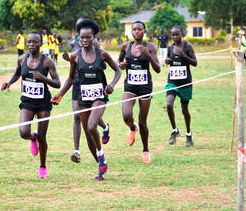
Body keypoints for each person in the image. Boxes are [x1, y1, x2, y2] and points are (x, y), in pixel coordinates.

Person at [52, 18, 121, 181]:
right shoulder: (75, 56)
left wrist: (111, 85)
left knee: (91, 126)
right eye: (81, 38)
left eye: (88, 37)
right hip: (83, 96)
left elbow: (118, 71)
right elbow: (70, 79)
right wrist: (60, 94)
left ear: (94, 37)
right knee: (88, 134)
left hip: (99, 96)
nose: (84, 40)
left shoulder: (102, 53)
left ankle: (101, 155)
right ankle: (100, 165)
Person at [1, 31, 60, 178]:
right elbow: (17, 74)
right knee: (23, 132)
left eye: (34, 42)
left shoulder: (47, 62)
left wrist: (43, 78)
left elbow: (58, 83)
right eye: (29, 42)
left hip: (43, 103)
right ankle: (32, 138)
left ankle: (42, 166)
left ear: (40, 44)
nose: (31, 45)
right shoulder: (22, 59)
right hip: (27, 101)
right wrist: (8, 82)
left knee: (43, 136)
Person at [62, 17, 110, 164]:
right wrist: (69, 60)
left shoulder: (96, 46)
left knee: (91, 122)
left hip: (95, 86)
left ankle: (104, 127)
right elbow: (74, 66)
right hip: (78, 85)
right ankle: (77, 150)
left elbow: (103, 65)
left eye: (86, 36)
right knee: (78, 117)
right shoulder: (74, 44)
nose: (82, 39)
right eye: (80, 35)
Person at [118, 21, 161, 163]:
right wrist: (122, 65)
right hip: (130, 85)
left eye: (139, 29)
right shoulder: (126, 46)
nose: (136, 32)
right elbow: (119, 64)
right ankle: (132, 127)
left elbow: (157, 69)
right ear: (131, 32)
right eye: (134, 30)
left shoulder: (150, 46)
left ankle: (146, 150)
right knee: (126, 114)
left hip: (145, 87)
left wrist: (147, 54)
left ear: (144, 31)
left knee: (143, 122)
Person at [165, 25, 197, 147]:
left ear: (181, 34)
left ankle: (189, 135)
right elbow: (168, 59)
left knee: (185, 110)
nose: (174, 37)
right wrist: (167, 60)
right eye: (172, 35)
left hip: (185, 82)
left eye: (177, 34)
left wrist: (183, 55)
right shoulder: (170, 46)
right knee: (169, 104)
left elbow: (195, 63)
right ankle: (175, 131)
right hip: (172, 81)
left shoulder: (188, 46)